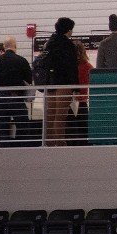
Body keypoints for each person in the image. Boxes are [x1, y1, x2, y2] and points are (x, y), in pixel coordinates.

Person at [0, 36, 33, 145]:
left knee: (3, 128)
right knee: (23, 127)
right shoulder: (21, 60)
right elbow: (29, 79)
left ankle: (5, 152)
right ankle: (21, 152)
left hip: (1, 98)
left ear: (4, 47)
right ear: (15, 46)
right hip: (16, 98)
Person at [44, 17, 78, 146]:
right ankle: (60, 141)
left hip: (50, 83)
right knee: (61, 114)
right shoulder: (68, 45)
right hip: (64, 82)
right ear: (68, 30)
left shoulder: (49, 43)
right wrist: (75, 86)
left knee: (50, 113)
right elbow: (71, 66)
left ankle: (48, 141)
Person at [69, 40, 94, 145]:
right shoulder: (88, 67)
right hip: (82, 102)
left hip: (69, 102)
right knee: (84, 131)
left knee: (70, 131)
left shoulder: (68, 67)